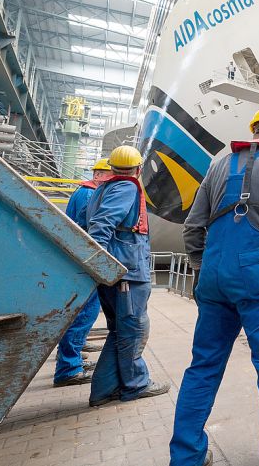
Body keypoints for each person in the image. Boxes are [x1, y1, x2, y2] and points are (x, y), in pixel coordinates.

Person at [170, 107, 259, 466]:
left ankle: (186, 456)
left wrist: (201, 268)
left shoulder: (219, 165)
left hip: (213, 277)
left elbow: (192, 227)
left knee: (203, 365)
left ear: (254, 132)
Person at [86, 145, 169, 407]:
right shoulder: (127, 187)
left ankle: (103, 390)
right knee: (133, 330)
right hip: (127, 273)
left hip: (119, 271)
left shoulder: (103, 187)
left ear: (111, 167)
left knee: (118, 331)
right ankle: (136, 384)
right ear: (139, 169)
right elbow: (103, 223)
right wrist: (99, 261)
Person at [53, 158, 111, 387]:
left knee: (80, 312)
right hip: (86, 260)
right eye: (108, 174)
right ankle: (69, 368)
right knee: (85, 312)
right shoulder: (89, 194)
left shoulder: (83, 192)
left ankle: (70, 359)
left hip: (79, 259)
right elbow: (93, 227)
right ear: (97, 175)